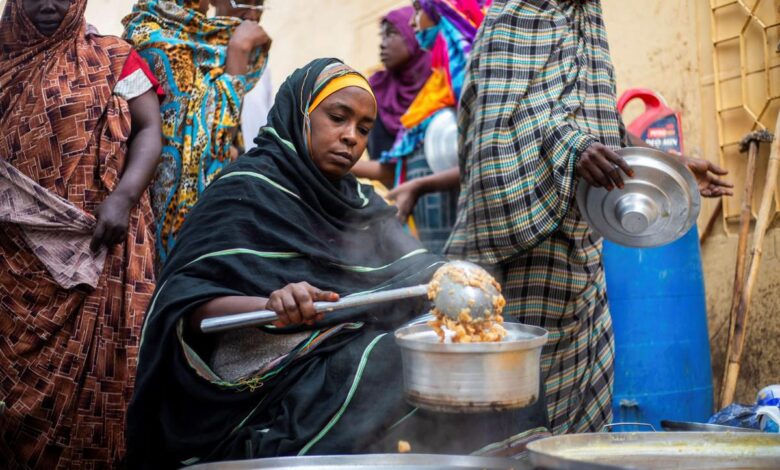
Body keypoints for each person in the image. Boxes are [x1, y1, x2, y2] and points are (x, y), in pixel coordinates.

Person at [125, 58, 547, 468]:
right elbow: (187, 304)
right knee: (392, 359)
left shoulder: (360, 202)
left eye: (364, 129)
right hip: (260, 381)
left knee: (476, 350)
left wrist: (460, 281)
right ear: (301, 115)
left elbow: (420, 268)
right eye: (338, 118)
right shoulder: (246, 190)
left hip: (338, 349)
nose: (351, 137)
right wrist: (270, 304)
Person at [447, 0, 734, 435]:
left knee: (584, 422)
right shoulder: (514, 16)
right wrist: (572, 149)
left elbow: (598, 123)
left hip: (583, 260)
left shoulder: (587, 19)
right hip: (526, 261)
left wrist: (667, 165)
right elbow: (496, 133)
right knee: (514, 419)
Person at [0, 0, 163, 467]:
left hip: (102, 247)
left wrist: (123, 197)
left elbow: (149, 129)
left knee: (104, 384)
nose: (49, 3)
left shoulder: (115, 57)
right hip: (13, 270)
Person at [122, 0, 271, 267]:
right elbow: (187, 136)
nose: (253, 12)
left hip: (216, 209)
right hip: (149, 213)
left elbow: (224, 142)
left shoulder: (218, 44)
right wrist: (236, 61)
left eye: (261, 5)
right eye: (244, 2)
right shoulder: (150, 37)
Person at [354, 0, 488, 254]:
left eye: (392, 33)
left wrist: (419, 186)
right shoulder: (428, 95)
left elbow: (481, 156)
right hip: (423, 226)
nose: (382, 43)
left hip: (464, 227)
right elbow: (401, 167)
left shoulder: (460, 79)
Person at [366, 6, 432, 163]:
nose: (382, 44)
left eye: (391, 33)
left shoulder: (444, 82)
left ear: (413, 33)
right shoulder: (375, 91)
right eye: (382, 36)